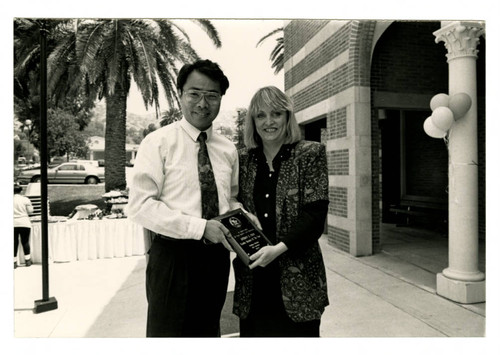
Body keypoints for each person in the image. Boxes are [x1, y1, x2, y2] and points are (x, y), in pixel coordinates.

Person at [128, 59, 256, 337]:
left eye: (212, 95)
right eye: (194, 93)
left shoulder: (227, 149)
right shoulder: (158, 142)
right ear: (180, 95)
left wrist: (243, 218)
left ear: (221, 99)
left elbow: (229, 200)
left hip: (216, 260)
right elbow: (140, 206)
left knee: (208, 331)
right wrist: (200, 228)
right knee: (167, 335)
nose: (202, 103)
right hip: (173, 259)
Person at [233, 86, 330, 337]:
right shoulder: (242, 160)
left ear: (288, 117)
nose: (269, 122)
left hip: (298, 277)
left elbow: (315, 214)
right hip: (254, 279)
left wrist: (278, 249)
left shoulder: (309, 153)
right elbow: (230, 202)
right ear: (252, 122)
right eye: (260, 115)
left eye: (276, 114)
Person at [14, 183, 34, 269]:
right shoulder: (25, 199)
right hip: (24, 222)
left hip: (12, 222)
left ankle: (13, 262)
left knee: (14, 242)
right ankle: (27, 260)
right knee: (25, 241)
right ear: (21, 191)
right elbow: (30, 211)